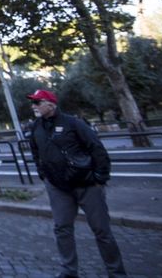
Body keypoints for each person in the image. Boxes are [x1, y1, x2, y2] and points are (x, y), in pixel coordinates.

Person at [27, 89, 126, 278]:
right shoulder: (36, 127)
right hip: (57, 187)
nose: (33, 106)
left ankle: (116, 272)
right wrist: (43, 174)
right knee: (62, 229)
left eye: (37, 102)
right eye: (33, 103)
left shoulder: (73, 123)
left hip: (87, 184)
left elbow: (96, 148)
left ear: (51, 104)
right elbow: (35, 152)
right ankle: (69, 271)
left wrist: (100, 178)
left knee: (102, 231)